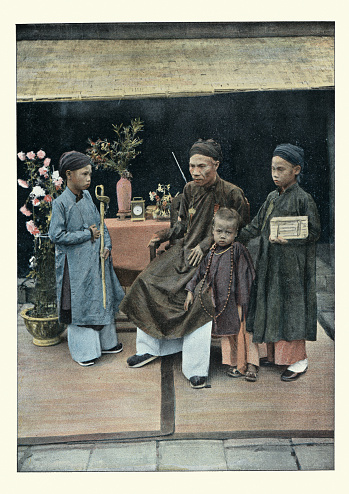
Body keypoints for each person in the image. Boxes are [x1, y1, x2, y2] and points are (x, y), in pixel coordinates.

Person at [120, 138, 250, 388]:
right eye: (192, 166)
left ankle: (195, 367)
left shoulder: (232, 193)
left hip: (215, 257)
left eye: (202, 166)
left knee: (201, 298)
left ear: (217, 164)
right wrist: (165, 235)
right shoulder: (189, 190)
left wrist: (206, 247)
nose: (196, 172)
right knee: (145, 282)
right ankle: (151, 348)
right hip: (182, 251)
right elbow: (181, 226)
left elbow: (239, 232)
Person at [237, 143, 321, 381]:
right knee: (273, 307)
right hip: (270, 265)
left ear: (296, 169)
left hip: (292, 267)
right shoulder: (272, 197)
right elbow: (256, 226)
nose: (275, 174)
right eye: (273, 169)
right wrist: (233, 235)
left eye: (281, 169)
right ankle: (277, 356)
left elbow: (314, 231)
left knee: (291, 310)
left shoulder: (304, 199)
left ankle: (298, 361)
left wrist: (291, 238)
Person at [49, 151, 124, 367]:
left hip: (96, 263)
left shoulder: (89, 196)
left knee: (101, 298)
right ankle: (85, 352)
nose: (89, 178)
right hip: (75, 267)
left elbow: (101, 223)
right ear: (69, 174)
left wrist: (107, 245)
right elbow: (57, 236)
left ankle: (107, 343)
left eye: (90, 173)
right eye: (84, 174)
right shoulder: (61, 204)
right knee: (81, 305)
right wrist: (86, 234)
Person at [184, 208, 259, 383]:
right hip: (221, 302)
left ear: (236, 233)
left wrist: (243, 299)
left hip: (239, 301)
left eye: (228, 232)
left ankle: (251, 365)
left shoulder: (238, 249)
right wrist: (189, 290)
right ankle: (234, 363)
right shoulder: (211, 253)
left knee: (244, 333)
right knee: (227, 334)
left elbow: (247, 274)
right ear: (212, 231)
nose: (223, 236)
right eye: (219, 231)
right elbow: (199, 273)